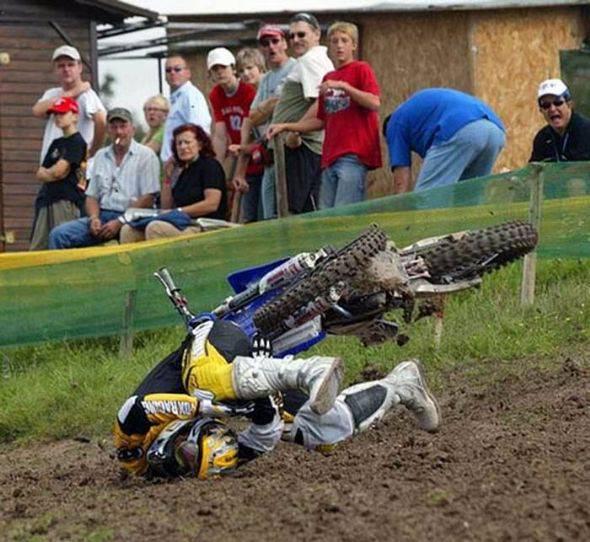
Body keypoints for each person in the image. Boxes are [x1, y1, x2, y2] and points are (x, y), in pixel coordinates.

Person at [114, 315, 441, 478]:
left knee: (205, 384)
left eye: (184, 454)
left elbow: (133, 408)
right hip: (244, 391)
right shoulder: (220, 455)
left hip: (208, 348)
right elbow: (263, 438)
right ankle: (403, 385)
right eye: (188, 467)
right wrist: (264, 402)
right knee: (328, 431)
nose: (177, 461)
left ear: (187, 435)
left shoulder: (134, 451)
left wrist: (209, 408)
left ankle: (307, 370)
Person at [268, 21, 381, 209]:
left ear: (354, 45)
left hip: (353, 153)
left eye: (344, 41)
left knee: (344, 212)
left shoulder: (361, 69)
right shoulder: (328, 78)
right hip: (329, 156)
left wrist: (344, 87)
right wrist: (287, 126)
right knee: (325, 212)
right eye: (334, 41)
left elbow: (374, 102)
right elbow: (320, 120)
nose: (339, 46)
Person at [48, 108, 160, 249]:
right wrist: (94, 218)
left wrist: (120, 221)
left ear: (132, 129)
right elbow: (92, 196)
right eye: (114, 127)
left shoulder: (146, 155)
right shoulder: (101, 155)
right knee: (58, 235)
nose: (119, 131)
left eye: (123, 126)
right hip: (103, 215)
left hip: (134, 218)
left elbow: (149, 198)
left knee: (127, 233)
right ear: (108, 131)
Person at [265, 13, 334, 217]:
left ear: (316, 34)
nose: (295, 40)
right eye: (292, 35)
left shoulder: (310, 60)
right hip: (303, 148)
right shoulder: (316, 60)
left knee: (295, 212)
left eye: (301, 34)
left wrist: (294, 132)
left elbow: (321, 101)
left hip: (303, 148)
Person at [383, 88, 506, 194]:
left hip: (460, 128)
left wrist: (398, 207)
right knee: (468, 196)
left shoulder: (394, 124)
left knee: (429, 196)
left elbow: (401, 177)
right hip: (494, 130)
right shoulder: (413, 112)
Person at [119, 123, 227, 243]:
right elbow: (166, 207)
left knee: (156, 228)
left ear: (200, 145)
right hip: (181, 222)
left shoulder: (210, 166)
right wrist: (167, 178)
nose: (182, 147)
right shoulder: (184, 171)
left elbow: (212, 204)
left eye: (187, 142)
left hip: (204, 225)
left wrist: (179, 212)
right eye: (179, 143)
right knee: (129, 230)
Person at [232, 24, 296, 221]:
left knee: (289, 212)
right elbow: (252, 117)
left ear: (284, 43)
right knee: (269, 216)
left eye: (275, 41)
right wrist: (268, 106)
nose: (271, 47)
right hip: (268, 156)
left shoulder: (295, 68)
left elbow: (281, 104)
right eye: (265, 43)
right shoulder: (267, 79)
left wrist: (267, 107)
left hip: (292, 152)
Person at [30, 97, 87, 251]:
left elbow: (60, 172)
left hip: (66, 199)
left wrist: (50, 172)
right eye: (56, 114)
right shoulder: (56, 143)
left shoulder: (77, 141)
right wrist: (51, 173)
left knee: (61, 243)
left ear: (74, 116)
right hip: (47, 198)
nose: (58, 117)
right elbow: (40, 173)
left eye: (62, 113)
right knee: (38, 246)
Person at [33, 45, 106, 165]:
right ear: (55, 70)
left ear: (80, 67)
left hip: (74, 167)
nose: (66, 69)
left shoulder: (87, 95)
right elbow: (37, 110)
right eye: (61, 66)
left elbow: (101, 120)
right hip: (50, 164)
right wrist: (71, 93)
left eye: (70, 65)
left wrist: (93, 150)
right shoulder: (51, 93)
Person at [229, 47, 267, 222]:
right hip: (257, 158)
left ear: (260, 67)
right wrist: (240, 172)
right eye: (241, 70)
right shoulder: (250, 95)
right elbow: (247, 134)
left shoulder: (268, 87)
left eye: (250, 68)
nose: (245, 73)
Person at [160, 55, 212, 165]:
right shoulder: (176, 98)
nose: (172, 73)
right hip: (176, 162)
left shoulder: (191, 95)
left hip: (184, 163)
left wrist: (176, 159)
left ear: (188, 73)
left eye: (177, 69)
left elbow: (198, 130)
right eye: (168, 70)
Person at [529, 78, 590, 162]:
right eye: (546, 105)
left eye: (558, 103)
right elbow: (533, 168)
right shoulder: (542, 138)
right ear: (541, 111)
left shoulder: (587, 132)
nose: (552, 109)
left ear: (569, 104)